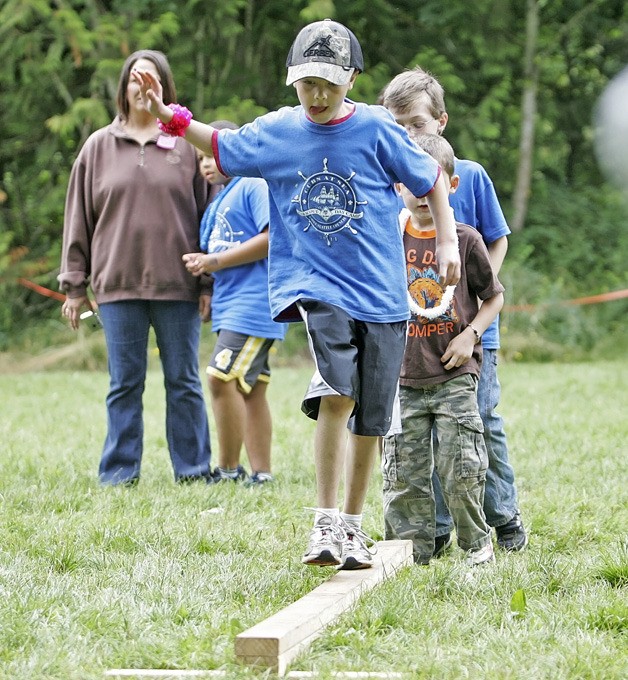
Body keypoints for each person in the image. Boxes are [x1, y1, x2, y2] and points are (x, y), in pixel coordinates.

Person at [132, 18, 461, 569]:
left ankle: (351, 526)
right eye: (307, 83)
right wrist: (167, 115)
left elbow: (429, 180)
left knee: (369, 417)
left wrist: (447, 241)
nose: (318, 95)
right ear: (293, 80)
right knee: (336, 391)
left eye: (329, 84)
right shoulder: (280, 132)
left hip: (382, 295)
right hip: (317, 287)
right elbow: (220, 143)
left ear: (351, 79)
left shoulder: (377, 128)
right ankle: (324, 521)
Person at [380, 67, 527, 552]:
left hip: (470, 330)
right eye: (398, 126)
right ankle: (437, 529)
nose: (408, 135)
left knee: (478, 422)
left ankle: (503, 518)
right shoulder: (390, 182)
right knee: (422, 435)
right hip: (415, 340)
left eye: (417, 123)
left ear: (441, 121)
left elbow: (497, 241)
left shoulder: (470, 174)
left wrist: (470, 302)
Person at [59, 49, 212, 486]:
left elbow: (208, 217)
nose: (142, 87)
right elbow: (78, 218)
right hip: (117, 285)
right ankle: (119, 473)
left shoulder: (187, 145)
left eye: (151, 79)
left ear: (165, 88)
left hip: (178, 286)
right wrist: (74, 285)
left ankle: (193, 470)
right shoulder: (97, 147)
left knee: (183, 381)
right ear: (123, 89)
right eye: (134, 79)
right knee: (124, 382)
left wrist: (208, 283)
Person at [383, 133, 503, 566]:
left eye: (429, 185)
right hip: (402, 377)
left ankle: (476, 549)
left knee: (461, 467)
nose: (420, 195)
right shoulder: (388, 237)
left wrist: (471, 335)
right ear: (397, 185)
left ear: (450, 186)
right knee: (403, 472)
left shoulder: (465, 240)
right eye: (411, 185)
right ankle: (405, 554)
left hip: (454, 374)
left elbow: (494, 297)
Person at [188, 120, 286, 486]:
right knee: (252, 388)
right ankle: (262, 473)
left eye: (212, 155)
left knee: (219, 378)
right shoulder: (221, 199)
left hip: (254, 305)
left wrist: (214, 261)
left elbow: (273, 236)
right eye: (200, 158)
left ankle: (228, 470)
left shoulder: (253, 184)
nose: (206, 164)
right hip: (231, 306)